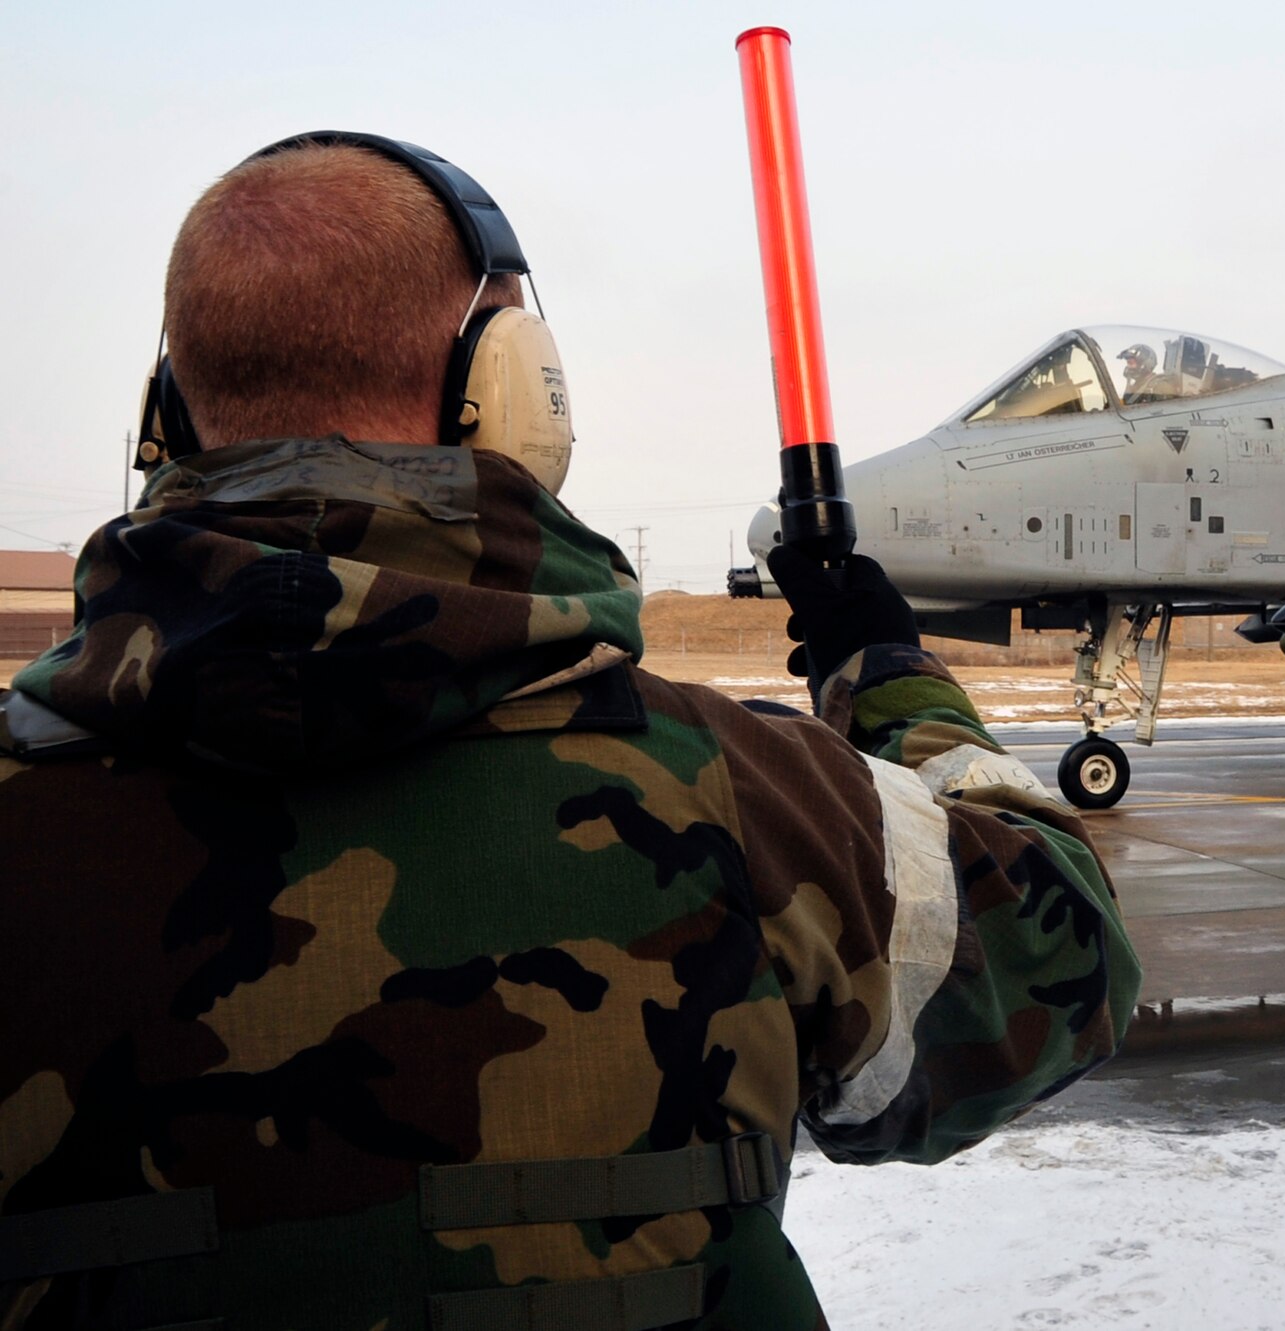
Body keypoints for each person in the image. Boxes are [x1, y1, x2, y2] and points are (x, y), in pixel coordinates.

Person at [0, 134, 1139, 1330]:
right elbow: (1069, 966)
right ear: (509, 383)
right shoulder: (750, 796)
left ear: (167, 413)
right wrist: (891, 677)